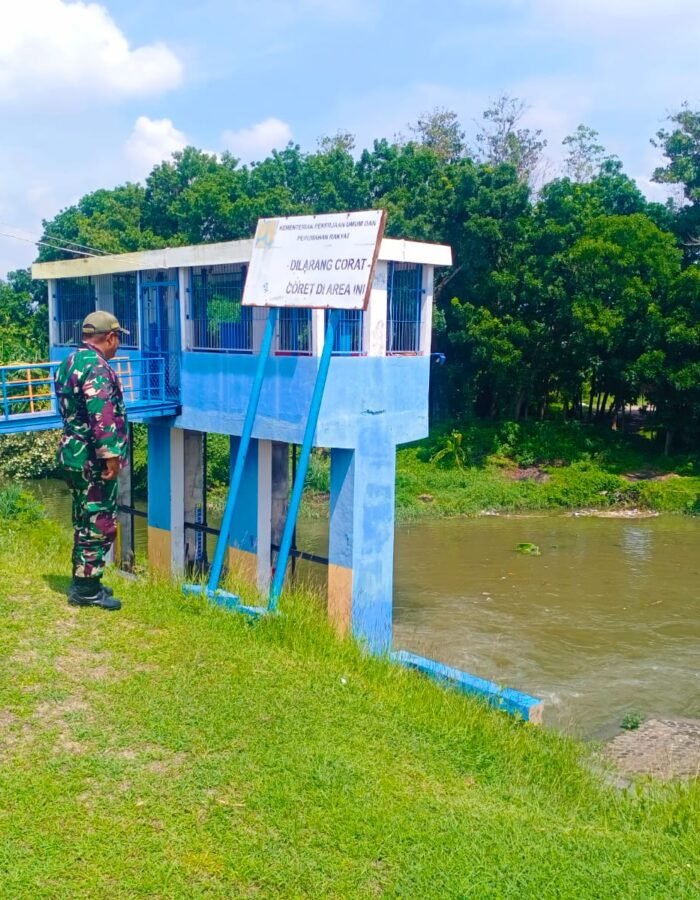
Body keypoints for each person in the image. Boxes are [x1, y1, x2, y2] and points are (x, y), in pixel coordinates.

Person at [54, 311, 130, 611]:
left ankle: (84, 579)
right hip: (91, 458)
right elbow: (102, 414)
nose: (118, 344)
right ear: (109, 337)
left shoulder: (70, 361)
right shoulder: (97, 367)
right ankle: (86, 590)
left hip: (72, 453)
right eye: (118, 338)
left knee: (84, 518)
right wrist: (110, 456)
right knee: (99, 521)